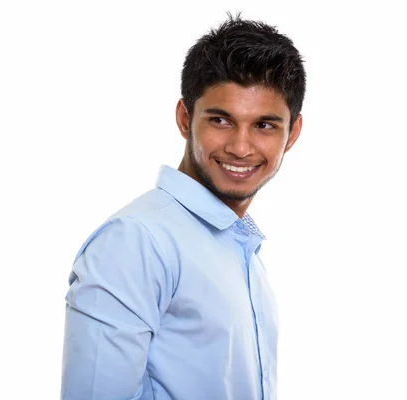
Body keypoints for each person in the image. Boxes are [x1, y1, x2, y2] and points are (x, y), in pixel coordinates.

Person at [61, 13, 305, 400]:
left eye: (264, 125)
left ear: (292, 134)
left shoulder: (241, 249)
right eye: (221, 120)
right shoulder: (137, 241)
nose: (241, 147)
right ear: (184, 118)